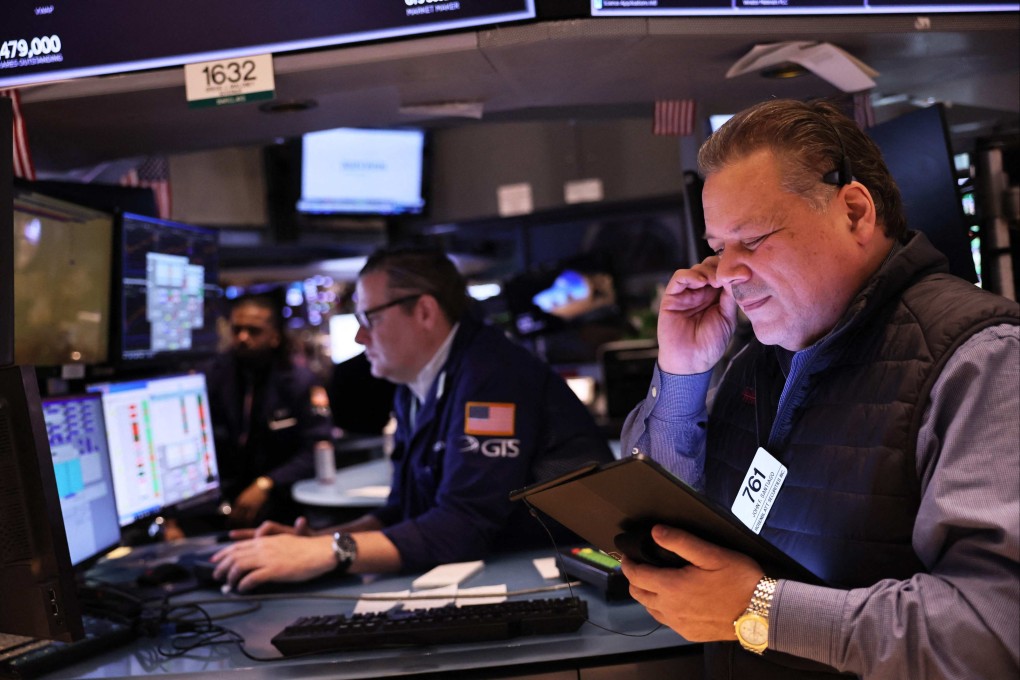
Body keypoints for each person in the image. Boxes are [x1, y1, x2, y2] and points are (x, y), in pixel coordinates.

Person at [619, 98, 1019, 679]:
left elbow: (992, 632)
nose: (727, 271)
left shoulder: (981, 361)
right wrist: (681, 374)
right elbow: (668, 538)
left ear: (854, 212)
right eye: (716, 247)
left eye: (752, 239)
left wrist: (758, 610)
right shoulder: (757, 361)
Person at [211, 247, 614, 590]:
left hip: (565, 581)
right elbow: (407, 510)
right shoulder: (415, 385)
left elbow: (462, 528)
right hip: (501, 570)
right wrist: (319, 542)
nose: (359, 338)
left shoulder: (492, 378)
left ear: (424, 311)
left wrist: (330, 552)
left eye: (370, 318)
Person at [202, 292, 333, 529]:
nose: (243, 337)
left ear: (274, 336)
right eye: (237, 329)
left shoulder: (299, 382)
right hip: (222, 501)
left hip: (284, 501)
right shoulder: (214, 376)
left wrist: (267, 483)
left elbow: (317, 449)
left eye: (254, 331)